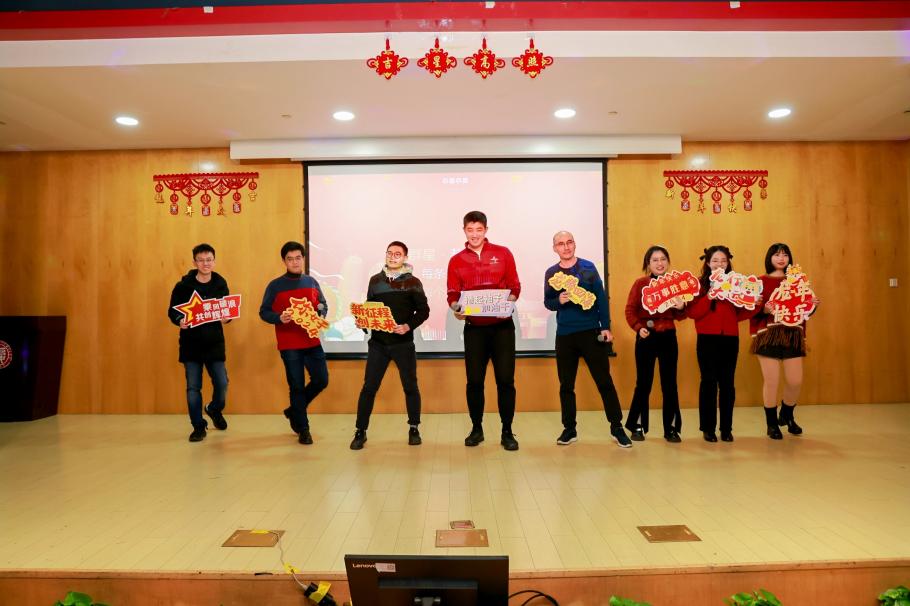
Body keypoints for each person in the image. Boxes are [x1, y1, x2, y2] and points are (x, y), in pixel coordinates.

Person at [544, 231, 632, 448]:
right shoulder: (551, 273)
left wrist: (606, 327)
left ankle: (617, 427)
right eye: (560, 244)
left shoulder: (588, 268)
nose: (566, 247)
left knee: (604, 381)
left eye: (569, 242)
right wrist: (559, 300)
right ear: (554, 248)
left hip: (591, 332)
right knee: (566, 385)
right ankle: (569, 429)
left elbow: (601, 298)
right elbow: (548, 302)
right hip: (565, 335)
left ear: (575, 244)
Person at [446, 211, 521, 451]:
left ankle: (507, 431)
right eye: (470, 230)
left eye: (479, 229)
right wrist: (456, 308)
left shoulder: (503, 253)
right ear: (464, 231)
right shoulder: (456, 260)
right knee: (475, 381)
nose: (475, 234)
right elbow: (453, 294)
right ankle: (476, 428)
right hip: (474, 330)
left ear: (486, 230)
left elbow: (515, 286)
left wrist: (507, 303)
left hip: (502, 328)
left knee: (505, 381)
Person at [350, 241, 430, 450]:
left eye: (397, 254)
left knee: (410, 387)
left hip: (403, 344)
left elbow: (424, 311)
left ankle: (414, 428)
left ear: (405, 257)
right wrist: (362, 321)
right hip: (378, 344)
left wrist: (408, 326)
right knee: (369, 388)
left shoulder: (413, 282)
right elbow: (369, 308)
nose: (393, 257)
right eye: (389, 253)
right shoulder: (375, 281)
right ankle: (360, 431)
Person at [259, 241, 329, 445]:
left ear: (303, 259)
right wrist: (279, 317)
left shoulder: (311, 282)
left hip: (312, 341)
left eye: (298, 258)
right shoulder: (275, 286)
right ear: (284, 261)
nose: (295, 262)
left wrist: (320, 313)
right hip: (289, 344)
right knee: (296, 386)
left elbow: (323, 304)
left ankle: (294, 411)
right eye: (290, 259)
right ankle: (303, 429)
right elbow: (264, 312)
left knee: (321, 380)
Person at [687, 245, 756, 443]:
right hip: (707, 338)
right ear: (708, 263)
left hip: (730, 338)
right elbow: (692, 312)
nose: (719, 264)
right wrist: (710, 296)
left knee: (727, 384)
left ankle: (726, 428)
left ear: (728, 263)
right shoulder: (699, 285)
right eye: (715, 260)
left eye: (724, 260)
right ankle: (708, 428)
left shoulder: (736, 283)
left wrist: (755, 303)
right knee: (708, 382)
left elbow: (740, 313)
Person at [750, 243, 817, 439]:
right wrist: (763, 309)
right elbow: (749, 309)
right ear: (769, 257)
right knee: (771, 381)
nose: (781, 258)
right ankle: (771, 424)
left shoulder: (797, 281)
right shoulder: (759, 281)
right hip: (767, 334)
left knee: (795, 381)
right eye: (777, 255)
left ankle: (786, 415)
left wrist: (812, 306)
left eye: (785, 255)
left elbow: (802, 310)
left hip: (792, 335)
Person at [167, 243, 231, 443]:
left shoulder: (220, 283)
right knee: (193, 388)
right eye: (201, 260)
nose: (205, 263)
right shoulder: (183, 286)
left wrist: (226, 318)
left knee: (222, 383)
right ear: (194, 262)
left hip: (214, 343)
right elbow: (173, 311)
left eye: (209, 260)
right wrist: (180, 320)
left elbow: (227, 311)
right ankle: (198, 426)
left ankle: (214, 409)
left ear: (214, 261)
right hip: (191, 344)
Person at [623, 245, 687, 443]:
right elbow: (630, 310)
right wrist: (638, 327)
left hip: (668, 336)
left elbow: (681, 315)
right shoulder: (641, 283)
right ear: (648, 264)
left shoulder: (675, 284)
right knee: (643, 383)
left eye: (663, 259)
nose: (660, 263)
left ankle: (671, 429)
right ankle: (637, 426)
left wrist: (681, 306)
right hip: (646, 336)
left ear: (668, 262)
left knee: (670, 384)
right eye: (655, 260)